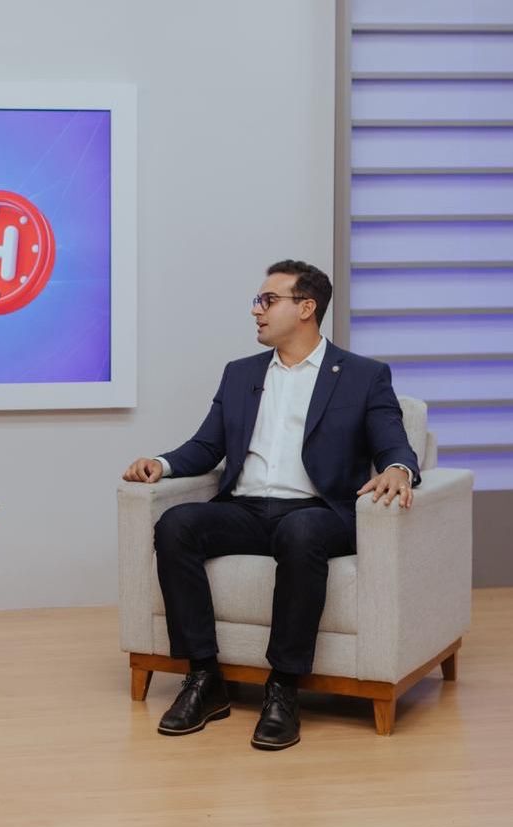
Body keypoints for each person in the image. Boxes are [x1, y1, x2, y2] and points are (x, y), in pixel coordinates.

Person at [122, 260, 419, 750]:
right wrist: (161, 463)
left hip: (319, 513)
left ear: (306, 308)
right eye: (257, 301)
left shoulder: (363, 376)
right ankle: (204, 677)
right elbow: (207, 446)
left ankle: (282, 687)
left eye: (268, 300)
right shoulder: (240, 374)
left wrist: (398, 470)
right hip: (248, 508)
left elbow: (393, 443)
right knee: (176, 524)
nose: (256, 311)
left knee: (300, 532)